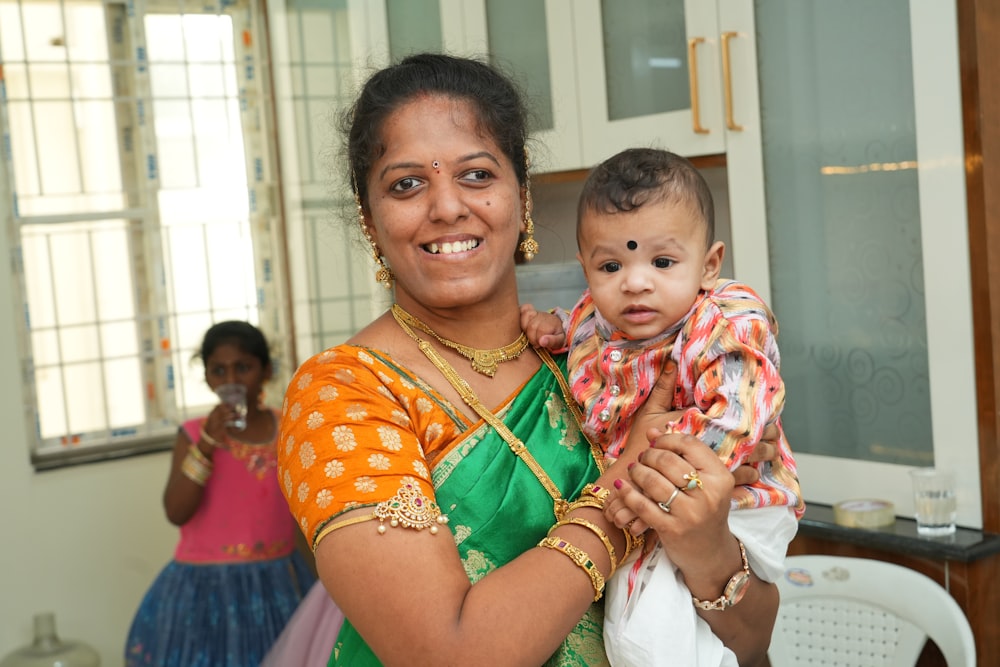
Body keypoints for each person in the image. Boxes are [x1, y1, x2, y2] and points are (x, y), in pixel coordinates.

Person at [277, 52, 787, 667]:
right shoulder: (345, 394)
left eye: (476, 175)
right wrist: (622, 486)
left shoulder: (604, 362)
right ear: (369, 217)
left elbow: (753, 640)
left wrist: (706, 549)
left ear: (521, 197)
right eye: (406, 183)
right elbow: (449, 657)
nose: (446, 208)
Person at [519, 147, 803, 664]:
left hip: (738, 498)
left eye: (663, 261)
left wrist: (640, 484)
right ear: (586, 269)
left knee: (653, 638)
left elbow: (738, 421)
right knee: (632, 632)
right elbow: (586, 331)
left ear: (709, 264)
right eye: (611, 265)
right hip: (658, 500)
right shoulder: (603, 317)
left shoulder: (725, 321)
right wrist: (555, 326)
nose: (635, 281)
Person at [125, 321, 316, 667]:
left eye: (242, 367)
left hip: (278, 585)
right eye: (219, 370)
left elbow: (302, 511)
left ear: (266, 371)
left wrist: (323, 581)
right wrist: (208, 445)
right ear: (208, 377)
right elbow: (176, 512)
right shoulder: (194, 434)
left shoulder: (288, 427)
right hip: (205, 589)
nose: (231, 380)